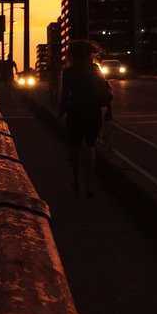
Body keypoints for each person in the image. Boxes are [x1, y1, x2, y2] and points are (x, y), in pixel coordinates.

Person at [57, 40, 113, 197]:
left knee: (75, 148)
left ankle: (76, 179)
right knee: (90, 147)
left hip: (75, 112)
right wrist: (109, 111)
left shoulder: (68, 72)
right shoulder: (95, 70)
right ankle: (88, 185)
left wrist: (60, 113)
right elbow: (106, 91)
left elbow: (64, 95)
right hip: (93, 112)